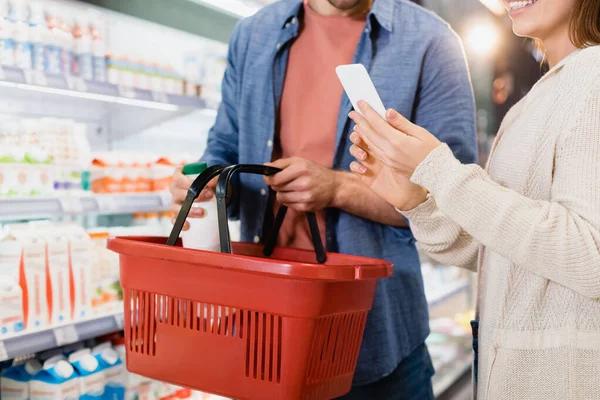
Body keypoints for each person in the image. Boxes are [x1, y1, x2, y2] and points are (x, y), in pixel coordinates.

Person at [170, 0, 477, 397]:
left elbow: (455, 198)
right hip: (266, 329)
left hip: (378, 340)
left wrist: (337, 188)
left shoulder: (430, 43)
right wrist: (204, 185)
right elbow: (225, 147)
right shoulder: (253, 35)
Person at [347, 0, 600, 398]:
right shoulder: (537, 98)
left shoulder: (594, 79)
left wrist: (440, 171)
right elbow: (500, 252)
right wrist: (417, 200)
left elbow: (591, 255)